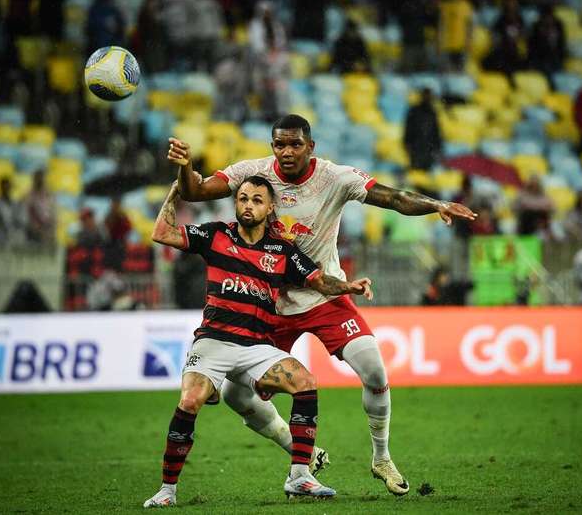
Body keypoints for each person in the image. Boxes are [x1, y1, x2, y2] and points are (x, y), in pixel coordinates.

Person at [167, 114, 477, 496]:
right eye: (279, 144)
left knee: (375, 371)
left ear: (310, 146)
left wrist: (434, 204)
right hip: (271, 306)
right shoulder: (254, 174)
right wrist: (186, 168)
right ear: (272, 146)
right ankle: (301, 452)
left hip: (323, 292)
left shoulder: (335, 178)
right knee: (234, 395)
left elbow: (393, 197)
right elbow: (195, 191)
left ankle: (381, 457)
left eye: (295, 144)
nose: (286, 151)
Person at [143, 176, 375, 506]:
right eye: (243, 199)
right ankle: (167, 491)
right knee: (190, 401)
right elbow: (161, 233)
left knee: (305, 381)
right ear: (236, 203)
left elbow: (318, 280)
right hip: (214, 342)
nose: (248, 205)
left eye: (256, 200)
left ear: (269, 208)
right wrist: (176, 188)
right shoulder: (215, 235)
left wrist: (348, 286)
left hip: (256, 347)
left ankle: (300, 476)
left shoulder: (282, 250)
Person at [403, 88, 442, 171]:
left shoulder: (432, 112)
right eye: (426, 96)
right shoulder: (414, 110)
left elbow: (436, 131)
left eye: (429, 96)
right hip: (416, 146)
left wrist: (437, 147)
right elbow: (408, 129)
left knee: (427, 171)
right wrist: (407, 143)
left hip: (428, 147)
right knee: (415, 170)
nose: (428, 98)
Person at [527, 4, 566, 79]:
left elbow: (561, 43)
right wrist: (543, 35)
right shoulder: (536, 27)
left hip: (556, 58)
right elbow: (533, 47)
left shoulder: (558, 25)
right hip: (540, 59)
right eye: (546, 17)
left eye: (550, 17)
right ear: (542, 17)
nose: (548, 19)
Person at [439, 0, 473, 72]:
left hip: (461, 45)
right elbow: (441, 25)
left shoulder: (465, 5)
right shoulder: (444, 6)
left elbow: (469, 25)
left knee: (460, 71)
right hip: (447, 45)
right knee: (448, 72)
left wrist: (468, 41)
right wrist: (440, 41)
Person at [0, 177, 27, 247]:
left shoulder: (15, 203)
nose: (6, 189)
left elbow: (22, 221)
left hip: (15, 238)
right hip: (1, 239)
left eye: (8, 187)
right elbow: (4, 221)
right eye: (4, 187)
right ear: (1, 188)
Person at [24, 170, 56, 244]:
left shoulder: (49, 195)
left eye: (41, 178)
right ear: (34, 180)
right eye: (37, 179)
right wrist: (35, 226)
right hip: (33, 233)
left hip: (47, 231)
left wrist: (51, 225)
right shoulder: (29, 196)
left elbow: (53, 214)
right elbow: (27, 214)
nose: (40, 181)